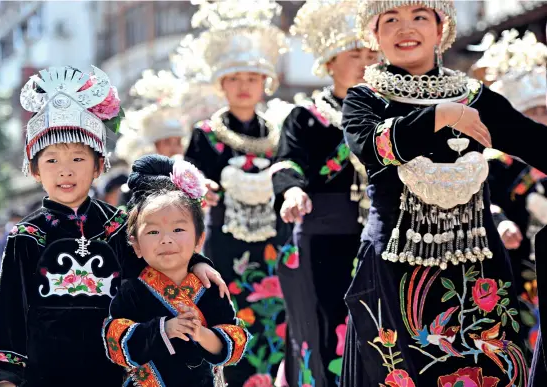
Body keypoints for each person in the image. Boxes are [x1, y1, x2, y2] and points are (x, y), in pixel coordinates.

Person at [339, 1, 547, 386]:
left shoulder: (475, 96)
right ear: (374, 34)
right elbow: (372, 147)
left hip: (477, 271)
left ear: (441, 29)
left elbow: (535, 142)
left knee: (488, 372)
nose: (406, 29)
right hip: (396, 267)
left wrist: (455, 108)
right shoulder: (364, 98)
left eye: (420, 17)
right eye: (391, 20)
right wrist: (442, 115)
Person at [0, 66, 225, 387]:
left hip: (115, 364)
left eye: (78, 159)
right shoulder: (28, 235)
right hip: (47, 368)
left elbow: (158, 255)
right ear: (35, 170)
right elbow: (10, 309)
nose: (65, 171)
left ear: (99, 165)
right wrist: (6, 375)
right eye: (52, 160)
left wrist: (197, 261)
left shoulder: (119, 226)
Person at [178, 1, 290, 384]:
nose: (244, 86)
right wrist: (201, 188)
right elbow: (187, 190)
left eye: (252, 78)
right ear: (222, 84)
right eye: (235, 78)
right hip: (224, 244)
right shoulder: (205, 134)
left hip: (274, 244)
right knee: (228, 319)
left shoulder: (278, 134)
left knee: (275, 322)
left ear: (265, 84)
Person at [270, 1, 377, 385]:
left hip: (383, 236)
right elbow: (287, 163)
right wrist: (292, 191)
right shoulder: (306, 117)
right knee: (325, 325)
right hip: (325, 236)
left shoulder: (391, 115)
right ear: (330, 62)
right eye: (355, 54)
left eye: (371, 54)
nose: (365, 61)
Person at [103, 154, 250, 386]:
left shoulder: (209, 287)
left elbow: (234, 340)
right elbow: (116, 342)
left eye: (178, 230)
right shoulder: (131, 291)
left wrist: (202, 334)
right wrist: (163, 329)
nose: (166, 240)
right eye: (153, 232)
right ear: (136, 245)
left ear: (199, 239)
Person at [477, 30, 547, 357]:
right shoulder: (495, 161)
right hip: (514, 263)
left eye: (545, 111)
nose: (540, 120)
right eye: (531, 114)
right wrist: (501, 221)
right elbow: (484, 199)